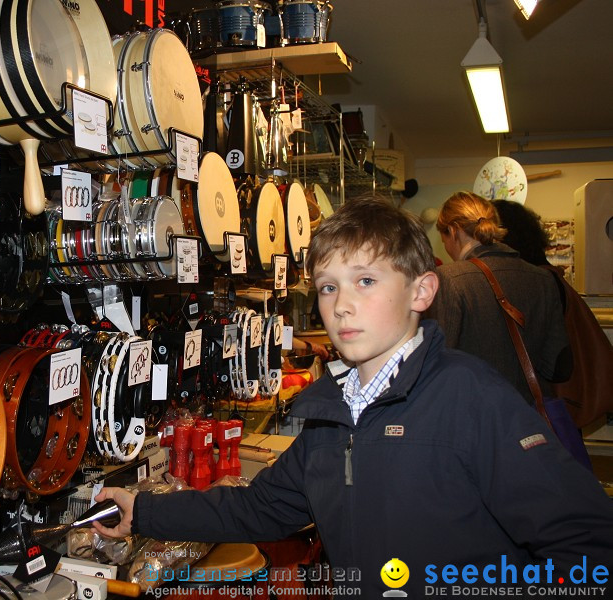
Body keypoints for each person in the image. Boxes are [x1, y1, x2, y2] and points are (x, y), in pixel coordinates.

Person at [94, 196, 613, 599]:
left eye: (365, 281)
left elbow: (587, 545)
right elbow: (260, 507)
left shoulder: (472, 399)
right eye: (327, 287)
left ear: (422, 292)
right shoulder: (333, 412)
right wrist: (141, 512)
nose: (341, 306)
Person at [427, 191, 571, 404]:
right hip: (529, 419)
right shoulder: (543, 278)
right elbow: (559, 368)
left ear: (453, 230)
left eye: (444, 237)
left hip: (474, 416)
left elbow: (436, 362)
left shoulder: (449, 279)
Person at [493, 199, 613, 428]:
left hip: (544, 408)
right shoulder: (549, 278)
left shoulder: (534, 283)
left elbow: (552, 360)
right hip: (556, 406)